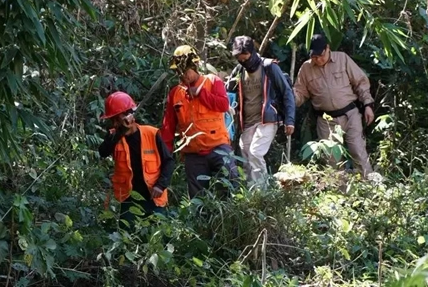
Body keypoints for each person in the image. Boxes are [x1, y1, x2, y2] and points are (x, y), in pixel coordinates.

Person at [161, 45, 239, 199]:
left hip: (218, 147)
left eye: (186, 72)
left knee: (231, 183)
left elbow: (223, 105)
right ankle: (201, 222)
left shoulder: (212, 81)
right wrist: (165, 153)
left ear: (195, 66)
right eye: (180, 73)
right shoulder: (176, 94)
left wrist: (200, 93)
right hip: (193, 154)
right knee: (198, 198)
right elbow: (168, 127)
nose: (184, 76)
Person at [293, 34, 376, 179]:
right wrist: (290, 96)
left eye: (320, 55)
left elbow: (360, 82)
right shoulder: (306, 69)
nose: (318, 59)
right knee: (331, 159)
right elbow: (300, 94)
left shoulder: (342, 59)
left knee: (358, 151)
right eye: (314, 57)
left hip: (350, 114)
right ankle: (339, 195)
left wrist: (368, 104)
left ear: (327, 49)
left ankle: (369, 188)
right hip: (326, 120)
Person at [98, 91, 175, 230]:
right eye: (114, 119)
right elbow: (103, 152)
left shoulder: (151, 133)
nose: (115, 122)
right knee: (126, 238)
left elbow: (169, 161)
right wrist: (118, 133)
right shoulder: (114, 138)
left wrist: (160, 185)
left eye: (118, 117)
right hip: (128, 199)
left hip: (154, 197)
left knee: (156, 240)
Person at [227, 36, 295, 187]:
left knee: (255, 152)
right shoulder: (239, 70)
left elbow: (287, 92)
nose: (243, 61)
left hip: (267, 119)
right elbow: (228, 91)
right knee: (245, 154)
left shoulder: (269, 67)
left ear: (253, 52)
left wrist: (290, 120)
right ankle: (251, 192)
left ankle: (263, 193)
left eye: (245, 57)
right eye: (239, 58)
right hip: (248, 121)